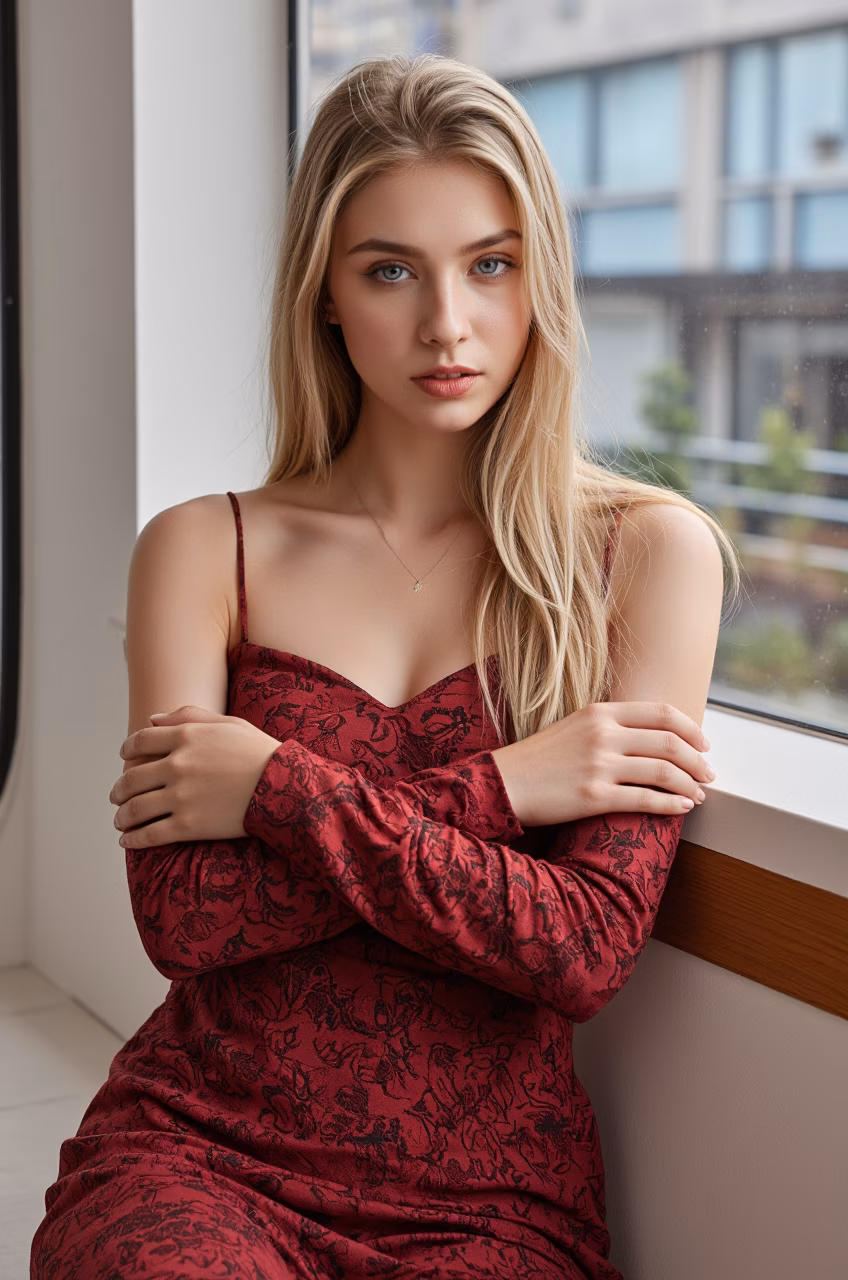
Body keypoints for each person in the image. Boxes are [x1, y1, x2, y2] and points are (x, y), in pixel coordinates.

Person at [31, 52, 738, 1280]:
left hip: (491, 1198)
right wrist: (509, 787)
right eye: (390, 269)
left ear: (539, 281)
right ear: (324, 292)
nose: (446, 324)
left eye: (490, 264)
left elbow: (579, 950)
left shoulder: (644, 555)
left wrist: (271, 786)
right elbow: (187, 921)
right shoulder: (205, 548)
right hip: (198, 1149)